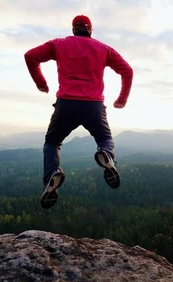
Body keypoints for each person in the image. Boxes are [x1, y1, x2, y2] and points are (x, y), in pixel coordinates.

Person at [24, 15, 134, 209]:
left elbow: (30, 56)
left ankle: (52, 174)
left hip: (66, 104)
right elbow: (127, 70)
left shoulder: (59, 44)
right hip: (93, 106)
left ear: (73, 29)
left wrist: (41, 83)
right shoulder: (103, 48)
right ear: (90, 30)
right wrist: (122, 99)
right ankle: (106, 154)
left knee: (52, 143)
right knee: (105, 139)